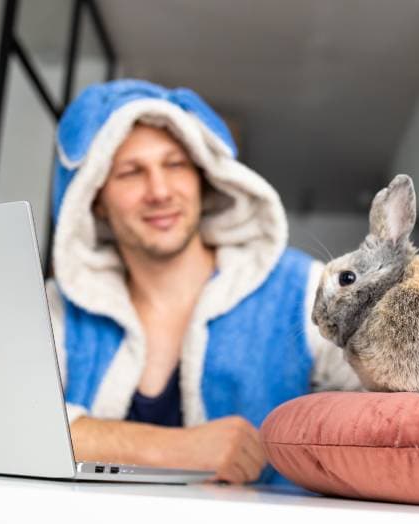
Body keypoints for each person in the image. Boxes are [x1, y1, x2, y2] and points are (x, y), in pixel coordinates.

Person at [45, 79, 360, 485]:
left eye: (175, 164)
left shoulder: (305, 289)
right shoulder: (58, 307)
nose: (159, 191)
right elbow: (4, 420)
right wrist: (175, 449)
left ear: (205, 177)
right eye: (130, 172)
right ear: (96, 200)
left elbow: (402, 399)